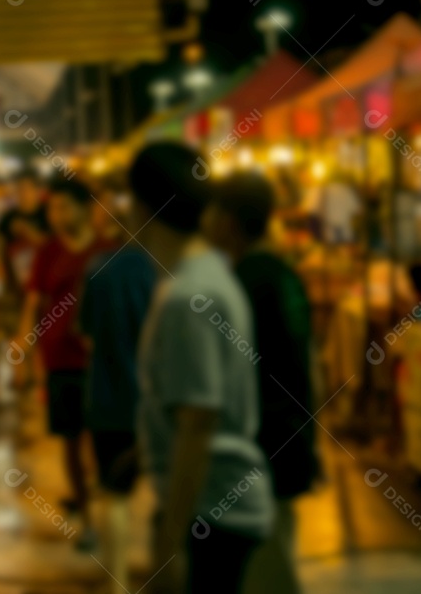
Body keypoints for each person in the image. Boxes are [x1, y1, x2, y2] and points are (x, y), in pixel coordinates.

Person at [128, 142, 273, 594]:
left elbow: (199, 421)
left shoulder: (189, 297)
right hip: (213, 507)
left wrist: (168, 549)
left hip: (210, 513)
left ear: (140, 209)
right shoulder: (209, 275)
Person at [202, 172, 318, 594]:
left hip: (264, 452)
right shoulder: (283, 276)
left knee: (268, 575)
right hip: (289, 443)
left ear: (227, 222)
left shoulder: (245, 285)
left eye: (211, 213)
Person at [14, 178, 102, 549]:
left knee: (98, 441)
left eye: (64, 207)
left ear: (86, 208)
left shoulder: (106, 250)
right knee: (69, 441)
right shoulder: (48, 252)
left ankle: (93, 494)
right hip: (59, 358)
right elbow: (34, 301)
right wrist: (24, 346)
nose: (56, 215)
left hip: (100, 362)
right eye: (52, 208)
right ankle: (87, 518)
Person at [79, 181, 155, 594]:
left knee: (114, 492)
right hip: (154, 401)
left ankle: (119, 582)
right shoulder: (159, 270)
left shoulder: (97, 269)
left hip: (107, 399)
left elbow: (86, 332)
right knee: (164, 492)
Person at [0, 169, 49, 299]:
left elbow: (53, 246)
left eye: (27, 189)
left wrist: (27, 231)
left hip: (47, 282)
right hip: (18, 284)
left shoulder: (48, 214)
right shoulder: (7, 218)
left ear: (37, 190)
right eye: (19, 189)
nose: (22, 194)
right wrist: (3, 277)